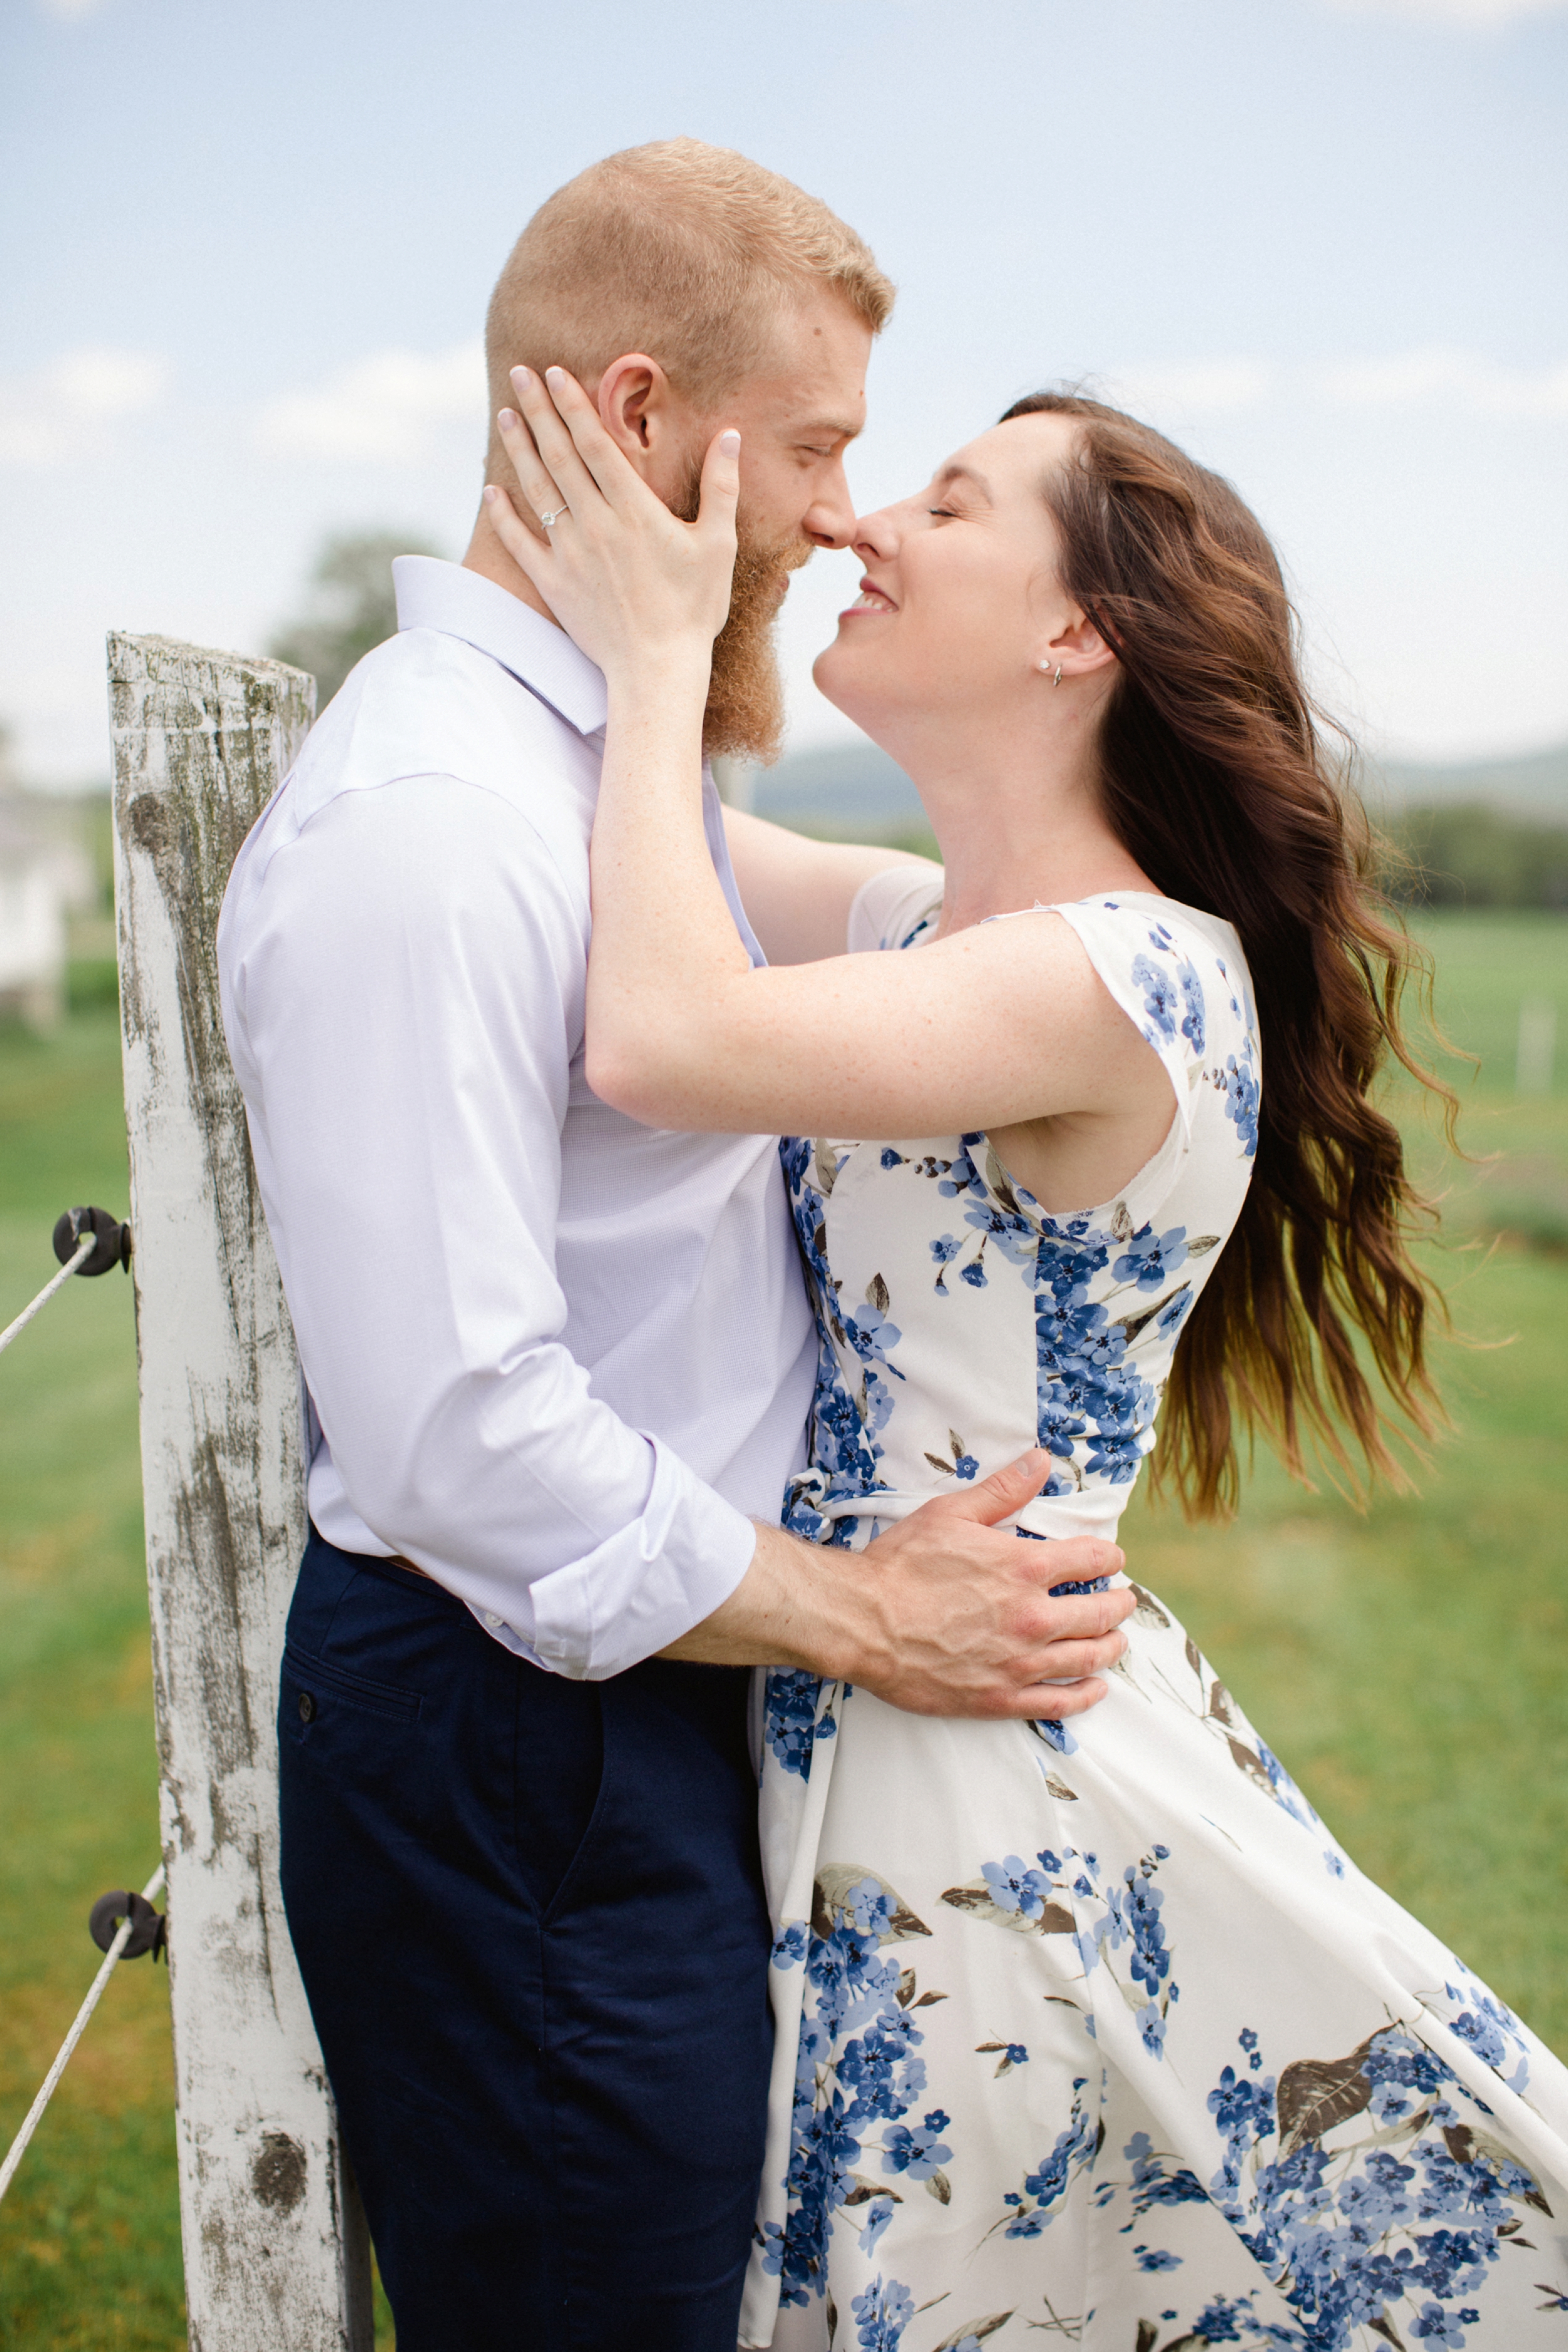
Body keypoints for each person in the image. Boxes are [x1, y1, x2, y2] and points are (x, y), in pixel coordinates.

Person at [482, 369, 1568, 2351]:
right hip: (875, 1677)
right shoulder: (941, 936)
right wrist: (661, 589)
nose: (870, 524)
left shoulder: (1118, 977)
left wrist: (656, 662)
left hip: (977, 1761)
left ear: (1077, 634)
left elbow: (658, 1028)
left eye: (949, 505)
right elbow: (662, 840)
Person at [215, 142, 1131, 2352]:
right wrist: (869, 1619)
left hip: (654, 1691)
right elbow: (453, 1433)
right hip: (523, 1730)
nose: (838, 510)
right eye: (813, 445)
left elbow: (926, 942)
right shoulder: (430, 831)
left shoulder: (596, 783)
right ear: (637, 417)